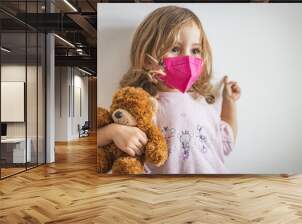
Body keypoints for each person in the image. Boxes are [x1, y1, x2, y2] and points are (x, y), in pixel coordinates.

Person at [97, 6, 241, 174]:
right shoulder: (142, 105)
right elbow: (96, 141)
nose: (187, 58)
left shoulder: (202, 101)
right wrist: (114, 131)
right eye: (174, 49)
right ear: (147, 60)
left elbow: (226, 143)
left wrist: (229, 102)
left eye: (195, 50)